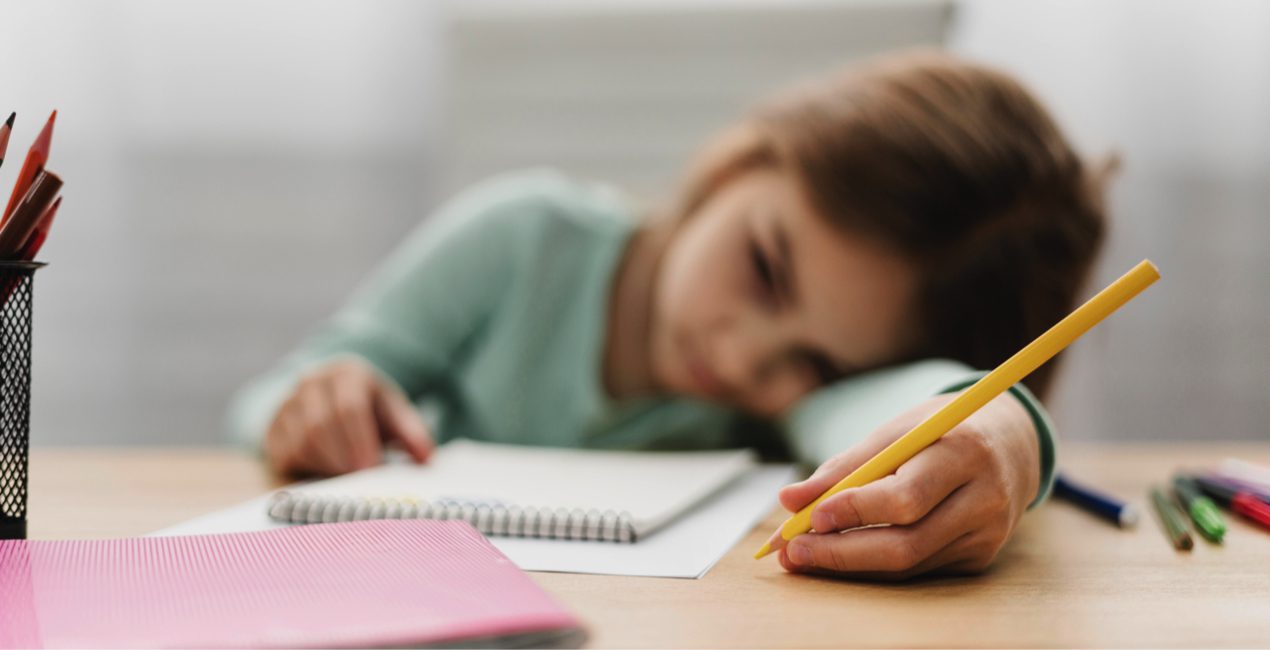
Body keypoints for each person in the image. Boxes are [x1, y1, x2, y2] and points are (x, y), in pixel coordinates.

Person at [229, 50, 1110, 579]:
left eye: (818, 366)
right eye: (766, 270)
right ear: (739, 164)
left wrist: (1001, 426)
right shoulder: (523, 241)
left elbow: (902, 405)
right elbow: (270, 398)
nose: (744, 359)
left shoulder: (788, 407)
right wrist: (311, 405)